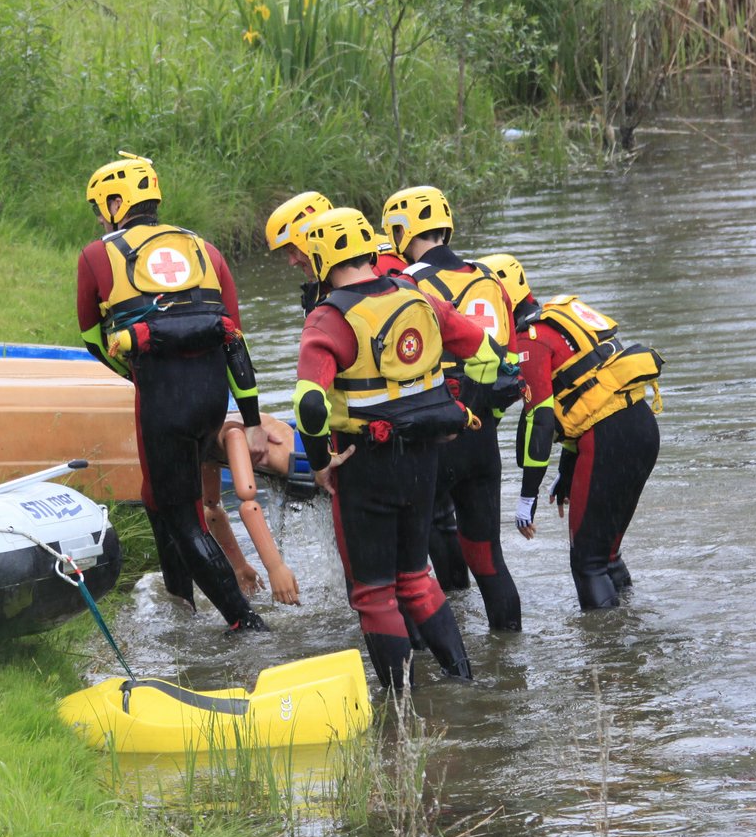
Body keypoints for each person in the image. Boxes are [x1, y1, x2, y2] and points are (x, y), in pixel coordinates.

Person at [291, 206, 507, 689]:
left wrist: (324, 463)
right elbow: (491, 355)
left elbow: (309, 404)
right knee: (416, 576)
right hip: (424, 460)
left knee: (373, 593)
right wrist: (466, 413)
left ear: (323, 259)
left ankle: (399, 713)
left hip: (365, 463)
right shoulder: (419, 295)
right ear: (371, 248)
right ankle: (463, 683)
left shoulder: (327, 318)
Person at [75, 153, 269, 636]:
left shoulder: (97, 255)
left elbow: (92, 337)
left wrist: (134, 368)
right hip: (212, 395)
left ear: (117, 203)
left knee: (185, 519)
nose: (102, 217)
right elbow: (235, 336)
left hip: (162, 398)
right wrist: (250, 418)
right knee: (157, 497)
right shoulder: (205, 248)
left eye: (103, 207)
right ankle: (180, 602)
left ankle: (247, 625)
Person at [380, 185, 524, 632]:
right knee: (489, 561)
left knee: (407, 569)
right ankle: (510, 665)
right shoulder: (491, 279)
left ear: (401, 232)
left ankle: (427, 673)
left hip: (434, 437)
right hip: (483, 443)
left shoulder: (407, 285)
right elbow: (510, 366)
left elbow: (393, 366)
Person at [513, 294, 664, 609]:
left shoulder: (529, 339)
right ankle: (629, 624)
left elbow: (541, 422)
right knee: (606, 556)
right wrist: (569, 471)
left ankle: (606, 650)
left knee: (588, 563)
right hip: (641, 426)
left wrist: (528, 497)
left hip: (607, 441)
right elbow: (586, 396)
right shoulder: (561, 317)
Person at [203, 412, 300, 605]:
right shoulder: (202, 440)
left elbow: (248, 502)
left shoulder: (229, 433)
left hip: (306, 460)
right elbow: (211, 507)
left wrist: (275, 568)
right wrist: (239, 566)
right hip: (299, 461)